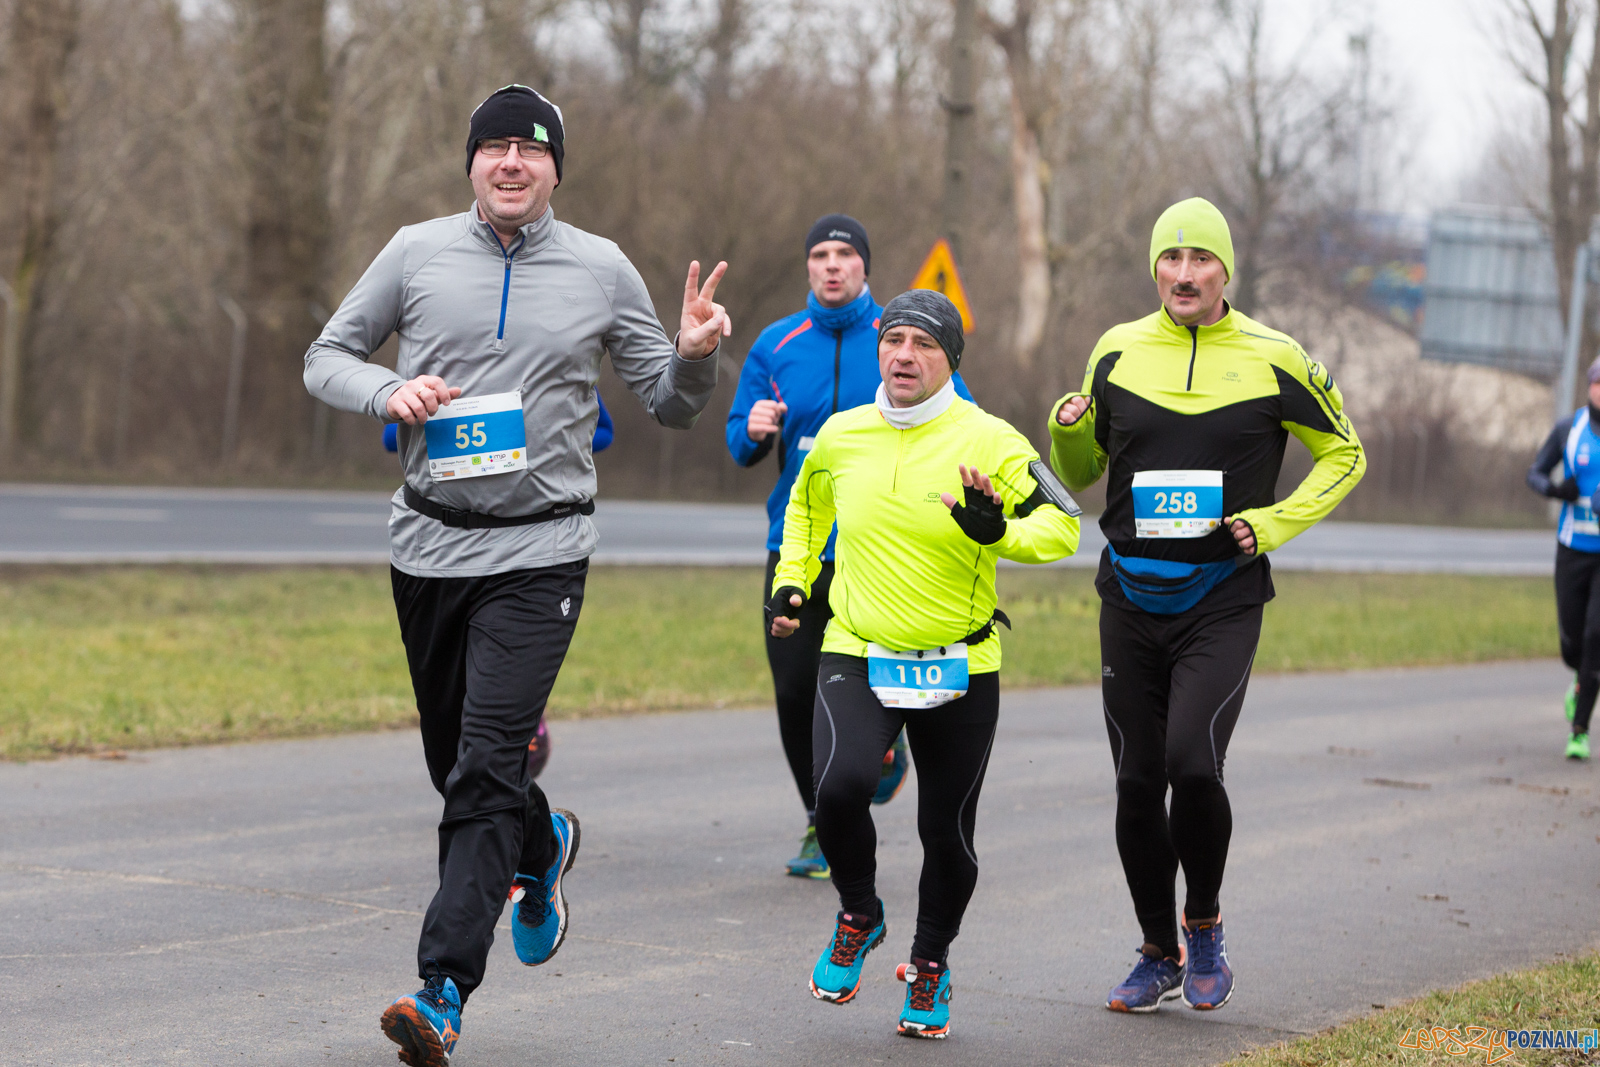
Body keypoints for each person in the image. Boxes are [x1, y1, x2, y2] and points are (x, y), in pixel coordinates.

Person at [304, 84, 729, 1067]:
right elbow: (325, 357)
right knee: (458, 771)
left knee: (487, 764)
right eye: (492, 147)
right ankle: (540, 846)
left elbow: (668, 403)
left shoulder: (600, 267)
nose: (509, 163)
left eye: (528, 150)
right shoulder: (414, 251)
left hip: (541, 551)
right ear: (470, 163)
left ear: (553, 168)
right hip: (427, 544)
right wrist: (388, 386)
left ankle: (442, 986)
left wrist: (697, 356)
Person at [1048, 197, 1364, 1015]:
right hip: (1129, 593)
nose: (1184, 274)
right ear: (1155, 266)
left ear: (1227, 270)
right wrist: (1066, 426)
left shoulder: (1274, 356)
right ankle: (1158, 950)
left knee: (1192, 761)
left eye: (1200, 260)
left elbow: (1346, 452)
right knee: (1133, 779)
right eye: (1170, 258)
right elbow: (1081, 470)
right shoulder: (1116, 349)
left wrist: (1273, 522)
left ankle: (1206, 923)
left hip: (1222, 598)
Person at [769, 289, 1079, 1039]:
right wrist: (794, 573)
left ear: (949, 359)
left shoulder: (994, 439)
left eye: (924, 344)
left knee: (949, 832)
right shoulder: (841, 434)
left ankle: (930, 961)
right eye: (894, 339)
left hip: (960, 661)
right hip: (857, 645)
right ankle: (860, 910)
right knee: (838, 789)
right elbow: (806, 508)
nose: (904, 354)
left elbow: (1064, 525)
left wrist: (998, 528)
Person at [727, 215, 973, 879]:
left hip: (881, 549)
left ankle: (875, 761)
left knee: (868, 682)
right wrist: (751, 429)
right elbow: (739, 441)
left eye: (845, 254)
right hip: (797, 546)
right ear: (808, 267)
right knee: (793, 693)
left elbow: (961, 416)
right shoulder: (779, 343)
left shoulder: (898, 339)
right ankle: (821, 815)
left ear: (864, 265)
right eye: (820, 255)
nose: (832, 266)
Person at [1526, 358, 1600, 762]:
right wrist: (1558, 492)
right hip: (1572, 549)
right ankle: (1577, 685)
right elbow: (1533, 473)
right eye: (1598, 383)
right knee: (1573, 644)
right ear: (1589, 387)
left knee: (1595, 639)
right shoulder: (1568, 431)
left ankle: (1580, 730)